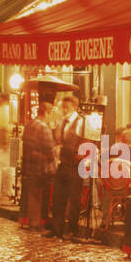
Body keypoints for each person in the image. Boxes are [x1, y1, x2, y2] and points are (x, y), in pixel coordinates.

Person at [49, 91, 86, 239]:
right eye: (63, 107)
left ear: (75, 107)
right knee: (58, 197)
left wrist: (65, 149)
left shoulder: (81, 123)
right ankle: (56, 229)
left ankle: (72, 229)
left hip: (74, 165)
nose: (64, 110)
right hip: (62, 164)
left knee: (74, 199)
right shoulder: (62, 122)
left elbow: (82, 144)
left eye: (67, 108)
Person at [20, 101, 57, 230]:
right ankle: (35, 223)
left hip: (30, 165)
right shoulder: (43, 127)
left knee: (32, 195)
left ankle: (31, 221)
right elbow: (49, 148)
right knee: (38, 196)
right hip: (41, 167)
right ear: (46, 112)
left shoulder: (29, 124)